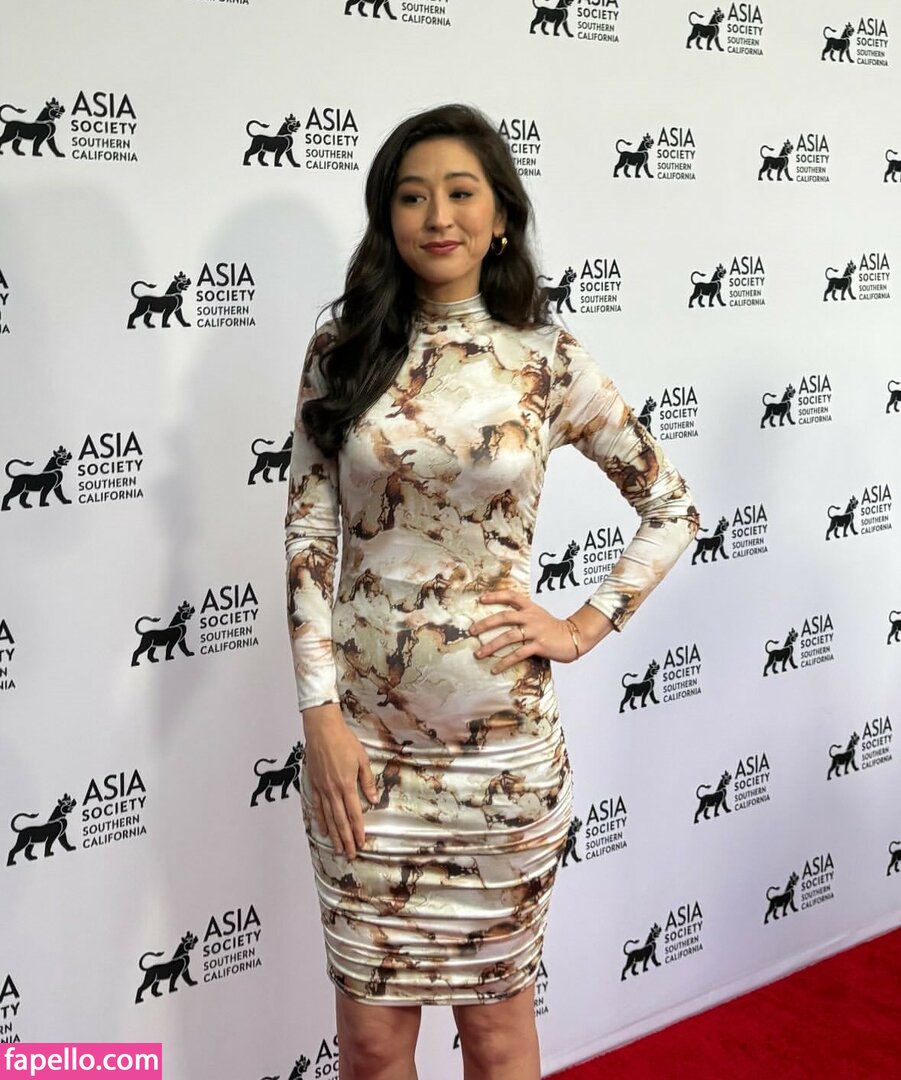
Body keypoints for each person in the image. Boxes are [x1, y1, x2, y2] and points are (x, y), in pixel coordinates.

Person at [285, 103, 700, 1080]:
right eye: (411, 196)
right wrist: (319, 716)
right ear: (386, 217)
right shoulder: (342, 350)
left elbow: (670, 506)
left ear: (500, 214)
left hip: (501, 763)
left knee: (497, 1033)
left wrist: (582, 626)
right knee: (370, 1041)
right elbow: (309, 538)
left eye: (460, 192)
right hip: (363, 754)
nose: (438, 216)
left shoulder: (546, 360)